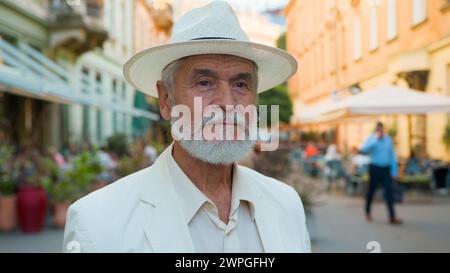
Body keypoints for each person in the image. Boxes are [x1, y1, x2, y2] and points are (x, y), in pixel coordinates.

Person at [63, 1, 310, 253]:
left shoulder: (286, 204)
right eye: (204, 83)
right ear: (166, 99)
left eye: (240, 85)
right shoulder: (96, 224)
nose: (227, 103)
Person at [360, 122, 402, 225]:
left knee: (389, 192)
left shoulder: (388, 140)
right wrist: (375, 140)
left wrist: (394, 171)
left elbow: (392, 155)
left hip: (386, 169)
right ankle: (368, 212)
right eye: (378, 130)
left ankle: (392, 216)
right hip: (374, 168)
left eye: (382, 130)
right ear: (376, 130)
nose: (381, 132)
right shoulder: (371, 139)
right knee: (371, 191)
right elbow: (363, 150)